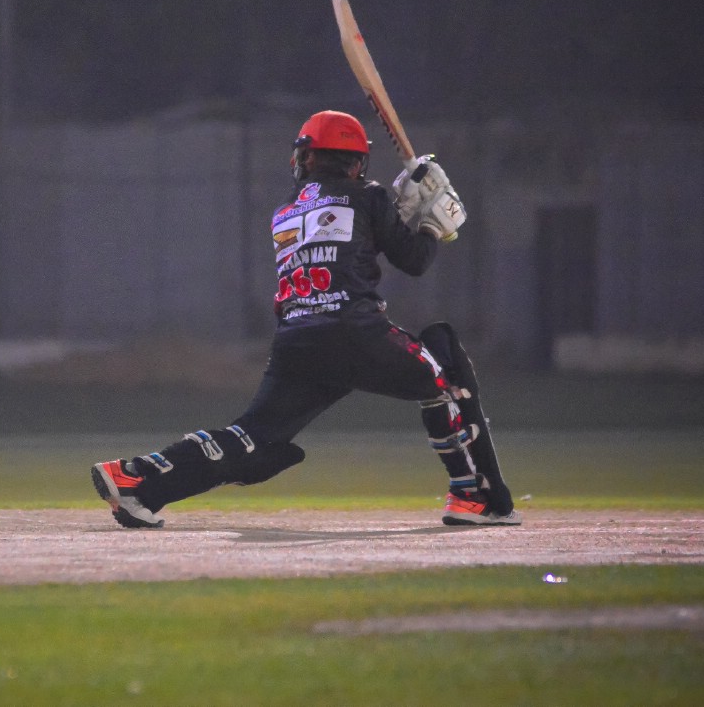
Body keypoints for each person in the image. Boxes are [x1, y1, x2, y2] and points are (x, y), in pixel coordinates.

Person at [90, 110, 519, 529]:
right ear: (358, 162)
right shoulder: (368, 195)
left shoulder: (286, 211)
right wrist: (431, 225)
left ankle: (138, 481)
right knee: (445, 363)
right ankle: (477, 496)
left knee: (252, 439)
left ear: (307, 156)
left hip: (297, 342)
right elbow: (414, 260)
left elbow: (348, 237)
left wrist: (406, 215)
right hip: (356, 333)